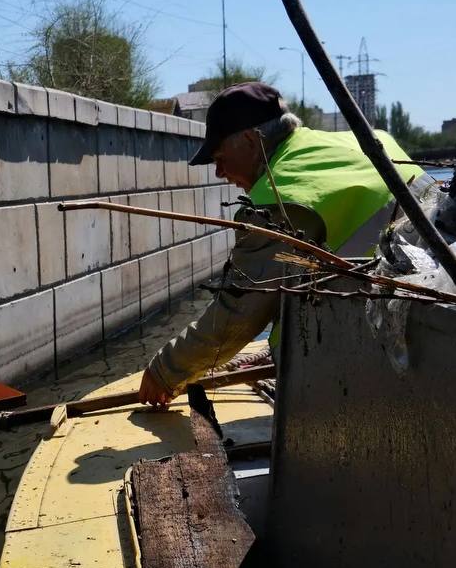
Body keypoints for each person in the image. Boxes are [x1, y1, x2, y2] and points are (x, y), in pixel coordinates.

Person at [138, 82, 429, 407]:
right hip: (434, 323)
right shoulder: (365, 142)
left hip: (385, 353)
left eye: (219, 157)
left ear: (251, 141)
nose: (219, 172)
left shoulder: (279, 198)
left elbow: (238, 313)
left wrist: (166, 370)